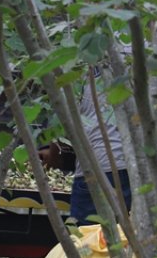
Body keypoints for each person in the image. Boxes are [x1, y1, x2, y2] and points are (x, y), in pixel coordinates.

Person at [38, 65, 132, 223]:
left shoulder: (76, 64)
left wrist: (53, 156)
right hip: (134, 168)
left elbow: (63, 122)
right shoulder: (137, 52)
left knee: (86, 241)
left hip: (97, 168)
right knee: (126, 238)